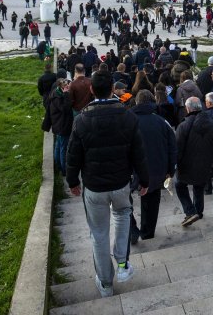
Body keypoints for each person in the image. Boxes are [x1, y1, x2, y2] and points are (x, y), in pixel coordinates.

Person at [66, 70, 150, 298]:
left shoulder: (82, 120)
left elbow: (73, 155)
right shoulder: (127, 116)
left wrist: (73, 181)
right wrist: (144, 179)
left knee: (99, 233)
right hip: (120, 183)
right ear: (112, 88)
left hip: (94, 187)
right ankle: (122, 264)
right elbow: (139, 152)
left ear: (92, 90)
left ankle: (105, 282)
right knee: (123, 215)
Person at [131, 90, 177, 241]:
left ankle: (131, 229)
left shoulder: (128, 120)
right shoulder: (162, 122)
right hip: (156, 170)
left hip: (132, 171)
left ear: (137, 102)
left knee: (124, 201)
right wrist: (170, 170)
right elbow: (172, 147)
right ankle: (147, 232)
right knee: (151, 202)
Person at [174, 97, 213, 227]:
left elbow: (177, 149)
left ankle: (190, 211)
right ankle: (198, 212)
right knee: (199, 187)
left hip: (186, 166)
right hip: (205, 164)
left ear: (188, 109)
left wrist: (174, 165)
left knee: (179, 185)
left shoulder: (183, 126)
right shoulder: (211, 123)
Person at [48, 76, 73, 177]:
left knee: (59, 145)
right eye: (66, 86)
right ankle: (64, 170)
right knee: (63, 148)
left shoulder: (56, 93)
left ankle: (58, 164)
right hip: (62, 126)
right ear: (61, 87)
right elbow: (65, 108)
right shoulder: (59, 96)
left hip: (58, 125)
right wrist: (67, 94)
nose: (67, 87)